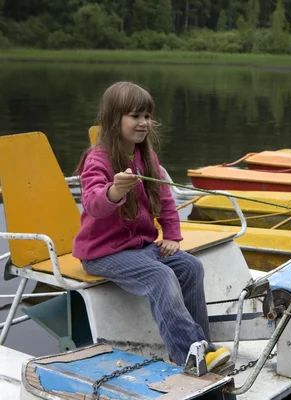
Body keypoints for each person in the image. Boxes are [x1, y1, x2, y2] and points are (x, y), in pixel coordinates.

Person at [73, 81, 230, 370]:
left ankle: (201, 347)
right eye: (135, 116)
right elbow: (94, 203)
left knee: (191, 267)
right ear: (113, 119)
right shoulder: (97, 159)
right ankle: (189, 355)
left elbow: (165, 199)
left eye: (147, 116)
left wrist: (172, 234)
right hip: (103, 253)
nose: (144, 123)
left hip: (141, 247)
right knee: (161, 277)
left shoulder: (146, 157)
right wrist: (114, 191)